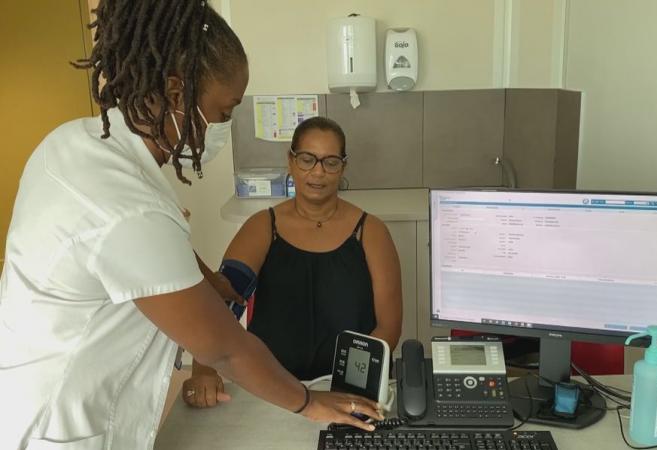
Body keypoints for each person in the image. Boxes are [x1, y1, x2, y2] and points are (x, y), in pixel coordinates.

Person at [0, 2, 382, 449]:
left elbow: (151, 246)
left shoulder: (77, 145)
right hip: (59, 424)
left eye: (331, 161)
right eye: (223, 112)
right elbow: (223, 349)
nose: (223, 126)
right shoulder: (130, 206)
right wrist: (309, 403)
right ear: (177, 94)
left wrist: (208, 278)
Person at [182, 116, 403, 408]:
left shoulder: (371, 232)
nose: (318, 172)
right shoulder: (261, 227)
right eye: (307, 159)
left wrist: (352, 388)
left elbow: (388, 327)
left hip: (347, 390)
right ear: (291, 161)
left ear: (343, 167)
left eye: (331, 162)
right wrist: (203, 369)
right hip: (270, 387)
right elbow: (223, 304)